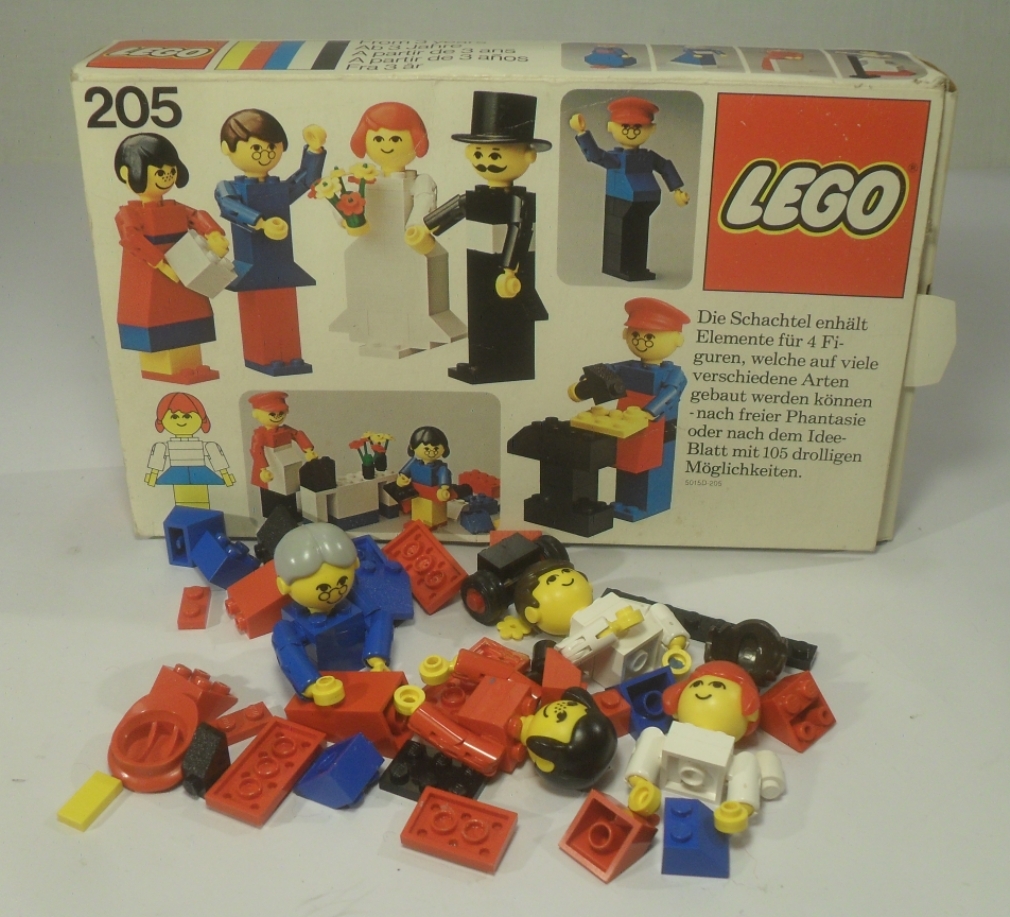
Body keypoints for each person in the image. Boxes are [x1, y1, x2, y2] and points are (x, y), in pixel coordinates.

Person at [409, 91, 551, 384]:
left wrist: (510, 268)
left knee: (509, 317)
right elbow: (455, 209)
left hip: (507, 269)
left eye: (495, 155)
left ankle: (509, 365)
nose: (486, 162)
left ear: (528, 156)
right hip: (479, 263)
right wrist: (425, 228)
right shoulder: (477, 197)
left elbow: (520, 231)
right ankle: (480, 362)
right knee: (480, 312)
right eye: (479, 153)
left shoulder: (519, 201)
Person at [330, 101, 465, 358]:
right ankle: (376, 335)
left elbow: (425, 201)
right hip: (371, 245)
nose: (386, 144)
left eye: (395, 138)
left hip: (407, 245)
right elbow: (346, 203)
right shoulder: (362, 179)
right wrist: (346, 218)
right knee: (373, 288)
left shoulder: (420, 181)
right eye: (378, 138)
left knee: (413, 289)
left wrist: (416, 226)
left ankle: (410, 335)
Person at [216, 109, 326, 375]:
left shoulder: (278, 188)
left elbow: (305, 180)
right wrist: (261, 223)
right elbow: (228, 206)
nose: (265, 154)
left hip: (281, 264)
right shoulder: (229, 187)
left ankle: (291, 357)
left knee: (285, 311)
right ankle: (262, 358)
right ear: (227, 149)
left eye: (272, 148)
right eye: (256, 148)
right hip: (252, 265)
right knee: (259, 315)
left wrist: (314, 150)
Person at [114, 133, 228, 383]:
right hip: (151, 275)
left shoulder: (176, 208)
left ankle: (191, 365)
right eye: (159, 171)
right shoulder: (129, 214)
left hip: (185, 269)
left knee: (189, 312)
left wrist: (213, 233)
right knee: (155, 317)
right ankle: (162, 369)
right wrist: (160, 263)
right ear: (127, 173)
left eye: (170, 170)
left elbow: (196, 216)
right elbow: (132, 239)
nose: (166, 176)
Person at [271, 523, 394, 706]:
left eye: (342, 580)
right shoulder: (288, 627)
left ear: (355, 565)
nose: (335, 591)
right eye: (322, 588)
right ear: (283, 586)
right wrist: (310, 684)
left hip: (360, 665)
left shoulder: (355, 595)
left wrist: (377, 656)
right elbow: (287, 649)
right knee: (282, 635)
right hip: (324, 680)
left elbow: (379, 616)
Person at [570, 97, 689, 281]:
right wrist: (582, 133)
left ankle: (637, 268)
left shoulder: (648, 157)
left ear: (651, 129)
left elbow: (664, 166)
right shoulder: (617, 159)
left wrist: (677, 190)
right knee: (620, 234)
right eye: (625, 127)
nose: (632, 132)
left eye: (638, 127)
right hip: (620, 199)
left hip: (646, 200)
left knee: (639, 235)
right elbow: (596, 156)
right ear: (611, 127)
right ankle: (618, 267)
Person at [145, 392, 235, 508]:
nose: (181, 420)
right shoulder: (163, 446)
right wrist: (153, 476)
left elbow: (216, 457)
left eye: (187, 416)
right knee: (182, 501)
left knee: (202, 501)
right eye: (174, 417)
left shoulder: (206, 445)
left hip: (199, 471)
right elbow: (157, 458)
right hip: (177, 472)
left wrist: (226, 476)